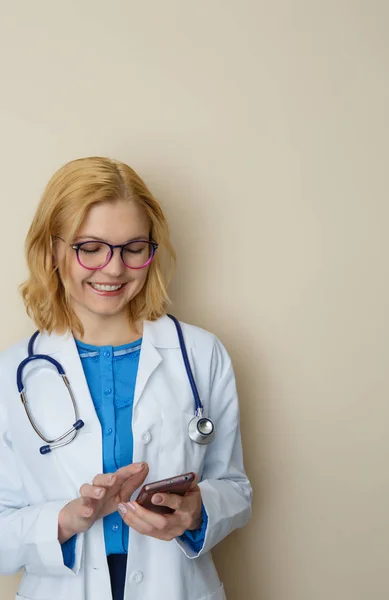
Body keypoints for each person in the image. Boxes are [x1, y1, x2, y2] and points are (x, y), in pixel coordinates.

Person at [0, 157, 252, 600]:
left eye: (133, 248)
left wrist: (196, 513)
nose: (114, 269)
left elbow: (235, 489)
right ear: (52, 250)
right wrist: (65, 519)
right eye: (90, 247)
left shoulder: (200, 354)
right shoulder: (12, 373)